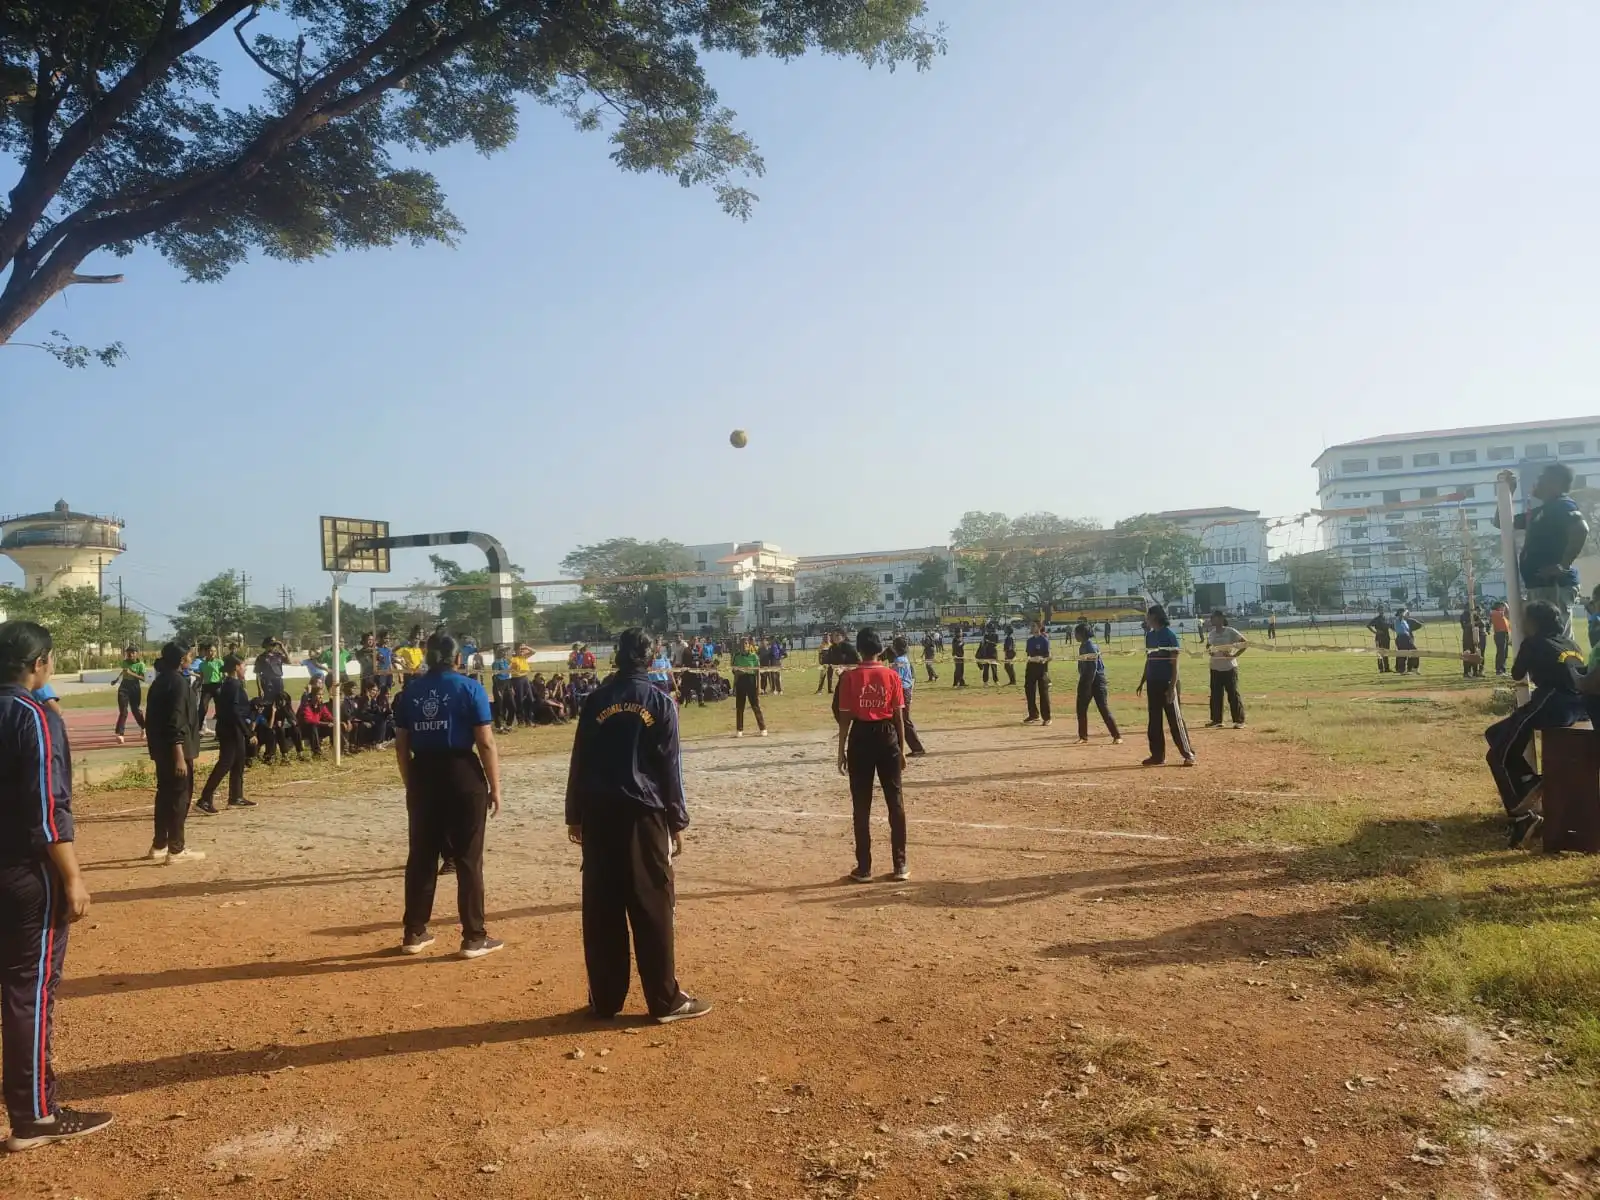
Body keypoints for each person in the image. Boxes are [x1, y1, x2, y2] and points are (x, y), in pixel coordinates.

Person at [0, 621, 113, 1152]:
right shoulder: (33, 716)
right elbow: (49, 810)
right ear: (39, 663)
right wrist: (73, 878)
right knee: (29, 989)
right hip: (25, 871)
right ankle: (35, 1115)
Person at [565, 628, 710, 1024]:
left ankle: (606, 1000)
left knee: (603, 907)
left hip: (598, 815)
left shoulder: (596, 701)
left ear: (617, 656)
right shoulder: (660, 703)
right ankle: (664, 1000)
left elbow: (581, 760)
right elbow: (669, 766)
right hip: (644, 815)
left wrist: (574, 813)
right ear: (651, 656)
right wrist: (676, 819)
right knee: (652, 905)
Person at [394, 632, 504, 958]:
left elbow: (402, 745)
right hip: (462, 774)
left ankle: (414, 932)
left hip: (423, 774)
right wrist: (495, 786)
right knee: (468, 858)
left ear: (427, 658)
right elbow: (485, 741)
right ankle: (474, 936)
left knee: (422, 857)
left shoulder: (409, 692)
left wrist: (410, 781)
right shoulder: (470, 688)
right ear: (458, 659)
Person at [1488, 600, 1593, 847]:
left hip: (1551, 702)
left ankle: (1520, 816)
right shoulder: (1571, 643)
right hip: (1579, 707)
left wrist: (1523, 647)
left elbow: (1516, 673)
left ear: (1534, 621)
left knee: (1497, 756)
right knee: (1496, 734)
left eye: (1525, 618)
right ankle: (1529, 782)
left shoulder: (1533, 642)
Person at [834, 628, 909, 883]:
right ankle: (900, 864)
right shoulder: (891, 675)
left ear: (859, 650)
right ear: (879, 650)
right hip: (887, 735)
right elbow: (899, 715)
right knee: (895, 801)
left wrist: (841, 750)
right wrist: (902, 748)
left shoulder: (849, 678)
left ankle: (864, 867)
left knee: (861, 804)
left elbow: (844, 718)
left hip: (860, 737)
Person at [1495, 462, 1589, 636]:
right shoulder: (1540, 512)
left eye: (1541, 478)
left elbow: (1581, 529)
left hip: (1553, 586)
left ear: (1555, 483)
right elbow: (1501, 522)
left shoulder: (1562, 505)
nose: (1536, 482)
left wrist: (1563, 565)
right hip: (1539, 586)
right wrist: (1508, 493)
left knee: (1554, 638)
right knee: (1542, 639)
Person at [145, 642, 205, 863]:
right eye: (188, 656)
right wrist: (179, 754)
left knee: (164, 797)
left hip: (161, 750)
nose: (191, 658)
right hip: (176, 751)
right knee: (180, 798)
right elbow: (176, 721)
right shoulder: (178, 683)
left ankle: (159, 845)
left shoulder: (160, 681)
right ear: (182, 660)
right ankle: (176, 849)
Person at [197, 655, 257, 815]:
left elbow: (237, 708)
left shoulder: (230, 684)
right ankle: (204, 799)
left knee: (238, 761)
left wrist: (251, 707)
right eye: (243, 666)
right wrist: (248, 732)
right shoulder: (234, 685)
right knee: (226, 763)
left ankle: (236, 796)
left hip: (231, 727)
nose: (245, 669)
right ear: (237, 667)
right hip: (231, 729)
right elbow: (235, 711)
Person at [1137, 605, 1194, 767]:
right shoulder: (1149, 636)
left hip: (1168, 682)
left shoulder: (1170, 635)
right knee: (1154, 721)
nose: (1146, 618)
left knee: (1175, 720)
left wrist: (1172, 686)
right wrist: (1143, 680)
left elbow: (1175, 663)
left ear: (1154, 616)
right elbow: (1149, 660)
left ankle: (1188, 754)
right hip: (1153, 682)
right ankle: (1157, 756)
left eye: (1148, 615)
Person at [1073, 622, 1122, 743]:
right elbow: (1081, 665)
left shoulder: (1090, 646)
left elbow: (1093, 667)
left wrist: (1088, 685)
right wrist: (1082, 679)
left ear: (1083, 634)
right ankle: (1083, 736)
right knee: (1081, 708)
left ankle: (1117, 736)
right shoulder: (1082, 646)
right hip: (1085, 678)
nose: (1075, 635)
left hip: (1097, 680)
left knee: (1103, 708)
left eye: (1076, 633)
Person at [1204, 611, 1247, 729]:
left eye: (1214, 617)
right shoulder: (1211, 634)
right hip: (1215, 667)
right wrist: (1210, 652)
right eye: (1211, 617)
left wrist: (1234, 655)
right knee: (1215, 694)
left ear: (1221, 619)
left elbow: (1244, 643)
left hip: (1229, 667)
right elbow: (1208, 647)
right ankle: (1217, 720)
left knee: (1233, 694)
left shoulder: (1230, 631)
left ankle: (1239, 721)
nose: (1211, 619)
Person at [889, 636, 926, 756]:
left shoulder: (900, 660)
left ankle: (917, 748)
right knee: (898, 719)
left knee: (903, 719)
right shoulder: (903, 658)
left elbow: (896, 678)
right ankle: (898, 746)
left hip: (902, 690)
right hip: (905, 689)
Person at [730, 636, 767, 738]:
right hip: (740, 681)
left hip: (751, 681)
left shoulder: (754, 656)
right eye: (742, 643)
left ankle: (763, 728)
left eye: (746, 643)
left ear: (749, 645)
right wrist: (734, 687)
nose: (744, 645)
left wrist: (759, 687)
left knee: (755, 706)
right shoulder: (736, 656)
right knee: (739, 707)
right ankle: (739, 729)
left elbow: (757, 672)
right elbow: (734, 672)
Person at [112, 646, 147, 745]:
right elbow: (124, 671)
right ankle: (120, 733)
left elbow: (143, 678)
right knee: (123, 711)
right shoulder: (125, 662)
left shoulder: (141, 665)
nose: (130, 655)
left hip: (134, 687)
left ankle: (143, 727)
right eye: (128, 653)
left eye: (132, 653)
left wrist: (131, 673)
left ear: (136, 654)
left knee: (135, 710)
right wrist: (117, 679)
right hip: (124, 686)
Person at [1022, 621, 1052, 727]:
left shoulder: (1044, 640)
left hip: (1041, 668)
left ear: (1039, 627)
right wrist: (1031, 659)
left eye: (1034, 625)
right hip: (1031, 667)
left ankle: (1047, 718)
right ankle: (1033, 714)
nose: (1031, 627)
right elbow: (1028, 654)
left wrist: (1043, 660)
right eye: (1031, 625)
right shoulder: (1029, 641)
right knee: (1029, 690)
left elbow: (1049, 656)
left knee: (1043, 693)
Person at [193, 642, 224, 730]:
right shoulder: (202, 664)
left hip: (217, 686)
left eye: (214, 651)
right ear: (206, 652)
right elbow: (201, 677)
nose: (213, 653)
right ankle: (197, 729)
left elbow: (224, 674)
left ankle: (220, 731)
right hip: (207, 687)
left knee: (220, 710)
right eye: (210, 651)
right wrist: (197, 685)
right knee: (202, 708)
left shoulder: (219, 662)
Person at [297, 683, 333, 757]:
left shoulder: (321, 706)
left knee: (334, 727)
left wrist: (338, 722)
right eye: (319, 695)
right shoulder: (306, 705)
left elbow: (328, 716)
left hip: (316, 728)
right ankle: (317, 753)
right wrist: (325, 724)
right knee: (313, 726)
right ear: (312, 695)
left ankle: (340, 748)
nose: (321, 697)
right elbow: (308, 721)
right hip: (305, 730)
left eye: (322, 695)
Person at [253, 637, 289, 702]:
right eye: (271, 645)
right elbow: (258, 674)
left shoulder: (278, 655)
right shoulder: (261, 657)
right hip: (267, 682)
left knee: (280, 702)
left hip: (278, 681)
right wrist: (260, 689)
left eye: (274, 645)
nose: (273, 647)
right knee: (268, 703)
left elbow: (289, 661)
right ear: (266, 645)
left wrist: (283, 648)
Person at [490, 648, 516, 732]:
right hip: (499, 684)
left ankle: (508, 724)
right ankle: (499, 726)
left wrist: (511, 687)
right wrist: (498, 690)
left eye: (505, 652)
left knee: (512, 706)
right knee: (499, 706)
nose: (505, 653)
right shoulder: (496, 663)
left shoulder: (505, 662)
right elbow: (495, 675)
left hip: (507, 684)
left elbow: (508, 675)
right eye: (503, 651)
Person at [1393, 608, 1423, 674]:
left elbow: (1407, 630)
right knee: (1404, 653)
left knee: (1413, 652)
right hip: (1401, 638)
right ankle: (1403, 670)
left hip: (1406, 638)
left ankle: (1412, 668)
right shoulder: (1398, 620)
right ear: (1400, 613)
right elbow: (1401, 618)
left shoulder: (1404, 621)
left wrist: (1410, 637)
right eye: (1404, 612)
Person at [1490, 600, 1512, 676]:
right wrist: (1506, 606)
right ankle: (1499, 670)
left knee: (1505, 653)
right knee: (1501, 652)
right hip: (1499, 634)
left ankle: (1503, 669)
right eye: (1502, 606)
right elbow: (1507, 612)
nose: (1504, 608)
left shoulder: (1503, 616)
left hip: (1505, 634)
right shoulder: (1495, 613)